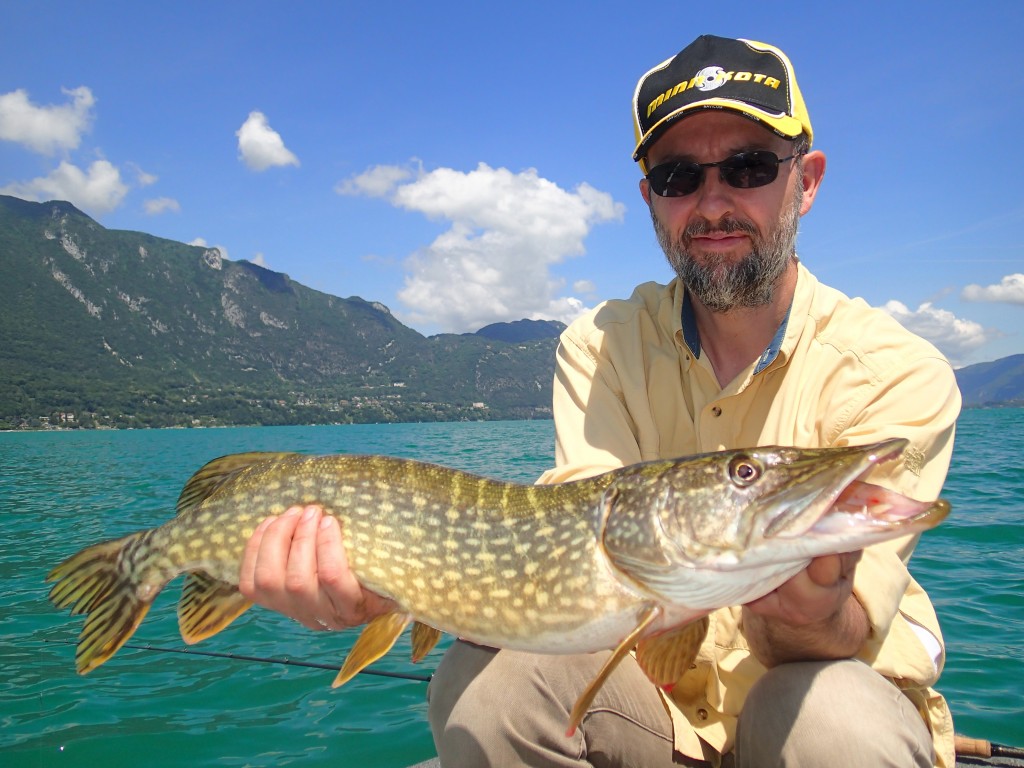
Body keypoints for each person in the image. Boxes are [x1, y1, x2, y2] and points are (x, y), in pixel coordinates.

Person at [239, 35, 961, 768]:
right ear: (651, 200)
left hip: (813, 725)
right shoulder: (600, 346)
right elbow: (573, 577)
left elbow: (823, 640)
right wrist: (391, 589)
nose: (712, 203)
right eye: (679, 176)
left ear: (805, 181)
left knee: (826, 718)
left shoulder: (900, 373)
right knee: (486, 690)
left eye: (747, 167)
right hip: (652, 722)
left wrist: (812, 609)